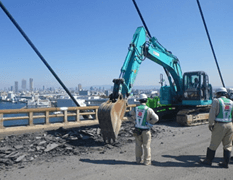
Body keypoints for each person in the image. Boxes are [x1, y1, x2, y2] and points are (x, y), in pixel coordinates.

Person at [199, 87, 233, 168]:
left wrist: (211, 124)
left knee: (213, 144)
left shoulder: (216, 101)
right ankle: (225, 163)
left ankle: (208, 161)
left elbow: (212, 114)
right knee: (228, 145)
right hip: (230, 125)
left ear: (218, 94)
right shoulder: (231, 102)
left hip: (220, 125)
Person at [128, 93, 159, 165]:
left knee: (138, 145)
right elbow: (156, 118)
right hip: (146, 130)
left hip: (137, 129)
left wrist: (134, 121)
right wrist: (150, 123)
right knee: (146, 146)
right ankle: (147, 161)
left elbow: (129, 115)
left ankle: (138, 160)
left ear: (139, 101)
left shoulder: (135, 109)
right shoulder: (149, 109)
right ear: (146, 100)